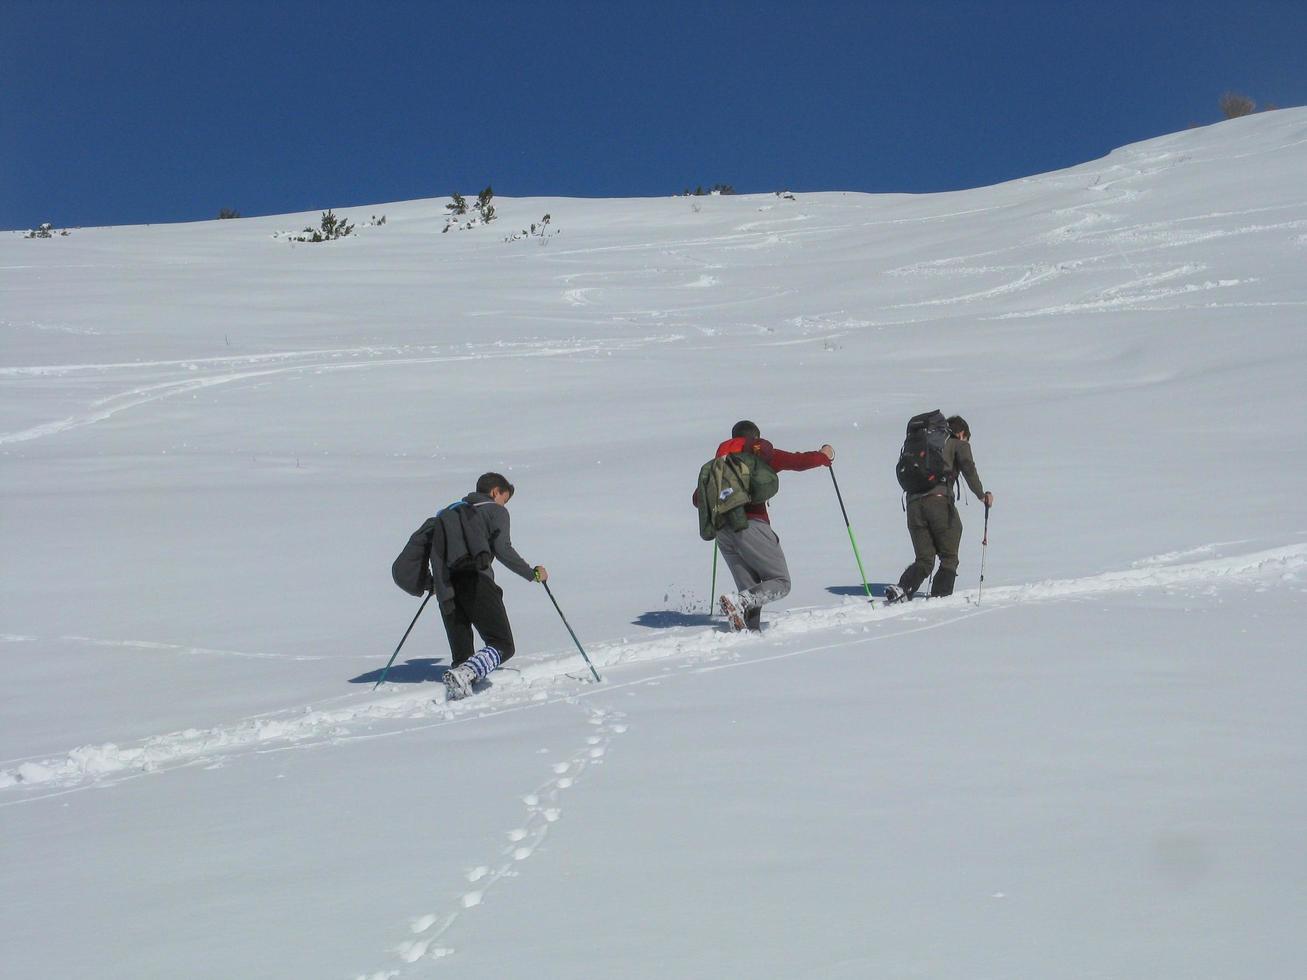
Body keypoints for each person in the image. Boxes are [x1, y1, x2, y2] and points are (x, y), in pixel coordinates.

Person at [694, 420, 834, 632]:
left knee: (752, 589)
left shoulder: (718, 463)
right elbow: (798, 461)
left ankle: (748, 631)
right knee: (780, 582)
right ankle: (739, 602)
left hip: (723, 532)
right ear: (755, 438)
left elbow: (697, 499)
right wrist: (824, 455)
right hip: (751, 526)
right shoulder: (757, 456)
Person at [439, 472, 547, 701]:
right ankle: (466, 674)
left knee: (462, 656)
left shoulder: (450, 512)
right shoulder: (494, 510)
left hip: (445, 587)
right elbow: (503, 549)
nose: (504, 505)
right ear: (495, 491)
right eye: (504, 499)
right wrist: (532, 573)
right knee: (503, 645)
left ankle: (461, 682)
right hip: (477, 581)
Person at [885, 416, 993, 602]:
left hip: (913, 504)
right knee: (949, 556)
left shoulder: (923, 444)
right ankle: (940, 598)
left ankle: (902, 589)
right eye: (966, 438)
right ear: (961, 433)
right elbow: (968, 468)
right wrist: (981, 495)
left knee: (924, 560)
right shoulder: (957, 443)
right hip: (939, 502)